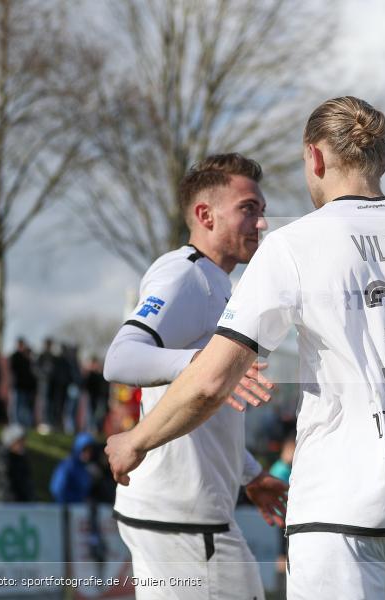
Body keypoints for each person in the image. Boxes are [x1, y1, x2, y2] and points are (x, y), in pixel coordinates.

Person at [106, 96, 385, 600]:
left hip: (341, 514)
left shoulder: (298, 244)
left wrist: (136, 440)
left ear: (315, 159)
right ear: (382, 161)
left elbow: (213, 381)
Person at [102, 153, 287, 600]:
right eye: (248, 209)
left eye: (261, 211)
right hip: (181, 518)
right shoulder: (186, 275)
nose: (260, 223)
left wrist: (249, 473)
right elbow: (121, 358)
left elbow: (204, 408)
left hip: (189, 516)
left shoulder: (218, 282)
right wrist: (202, 365)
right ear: (205, 214)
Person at [0, 424, 34, 502]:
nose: (23, 443)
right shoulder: (2, 459)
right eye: (19, 440)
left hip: (24, 505)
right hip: (9, 506)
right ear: (11, 441)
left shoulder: (21, 457)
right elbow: (4, 485)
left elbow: (27, 483)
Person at [50, 432, 96, 503]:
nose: (87, 454)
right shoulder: (67, 465)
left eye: (90, 451)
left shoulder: (86, 468)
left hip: (79, 511)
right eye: (84, 450)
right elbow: (57, 490)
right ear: (78, 448)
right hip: (66, 510)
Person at [9, 338, 38, 427]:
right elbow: (14, 370)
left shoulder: (28, 359)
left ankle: (22, 423)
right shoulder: (16, 356)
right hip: (18, 385)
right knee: (16, 405)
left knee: (24, 407)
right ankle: (15, 423)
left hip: (27, 387)